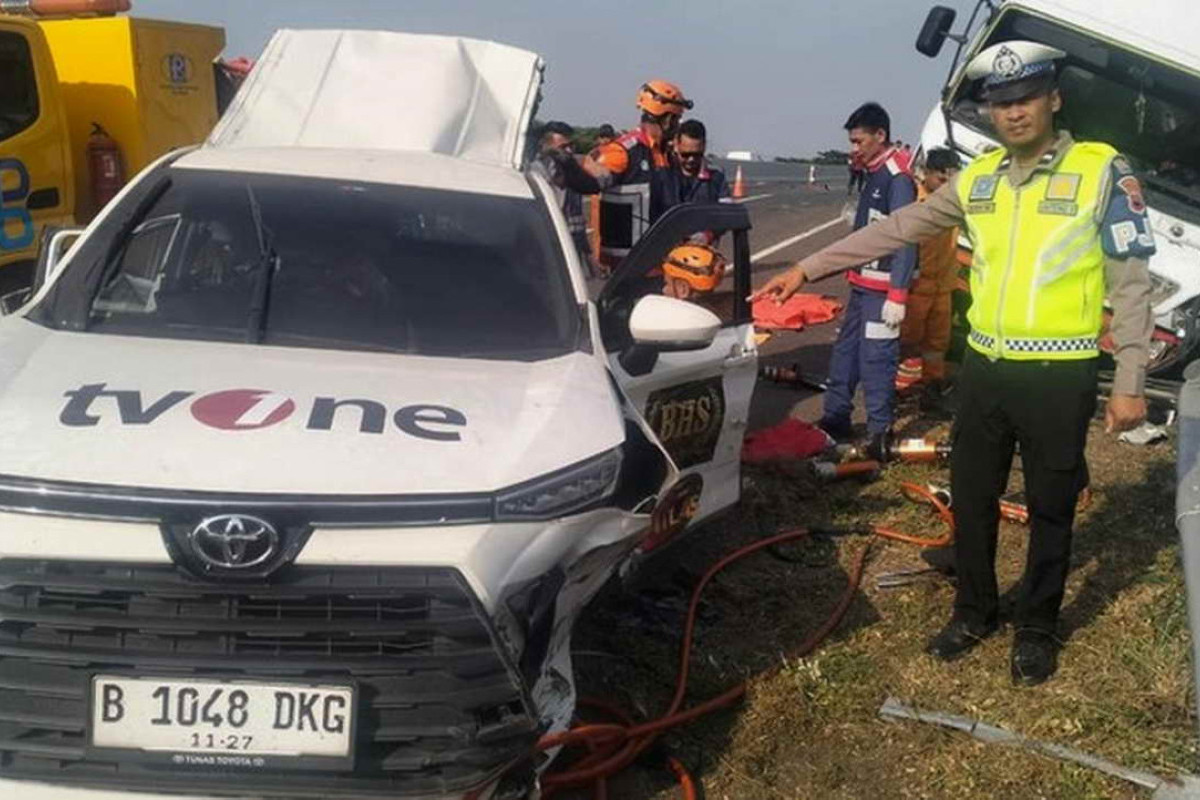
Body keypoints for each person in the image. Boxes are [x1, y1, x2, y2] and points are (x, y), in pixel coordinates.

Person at [751, 41, 1155, 686]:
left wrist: (1130, 382)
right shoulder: (983, 178)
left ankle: (1038, 627)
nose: (1014, 113)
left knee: (1051, 507)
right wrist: (807, 266)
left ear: (1053, 99)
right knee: (972, 498)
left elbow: (1133, 286)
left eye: (1025, 99)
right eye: (1001, 104)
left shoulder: (1101, 170)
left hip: (1060, 374)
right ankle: (974, 612)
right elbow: (898, 228)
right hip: (986, 371)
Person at [809, 102, 917, 454]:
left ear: (880, 136)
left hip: (883, 291)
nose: (854, 148)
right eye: (852, 142)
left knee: (877, 358)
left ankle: (878, 431)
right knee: (845, 354)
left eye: (859, 141)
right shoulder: (872, 171)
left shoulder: (897, 178)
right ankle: (836, 417)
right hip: (862, 287)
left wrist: (898, 294)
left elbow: (905, 236)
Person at [552, 80, 693, 270]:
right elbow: (589, 183)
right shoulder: (623, 152)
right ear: (665, 119)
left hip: (660, 262)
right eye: (676, 120)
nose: (677, 126)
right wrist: (567, 163)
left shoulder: (667, 155)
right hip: (628, 267)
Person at [896, 147, 961, 411]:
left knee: (937, 343)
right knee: (905, 341)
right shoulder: (911, 202)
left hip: (943, 287)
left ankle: (931, 389)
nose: (946, 186)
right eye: (941, 180)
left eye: (951, 180)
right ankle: (893, 391)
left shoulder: (955, 204)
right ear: (928, 174)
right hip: (916, 288)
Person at [533, 121, 595, 274]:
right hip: (548, 250)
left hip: (572, 250)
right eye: (562, 147)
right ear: (545, 148)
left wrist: (589, 256)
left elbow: (577, 221)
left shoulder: (573, 174)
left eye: (570, 146)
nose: (568, 151)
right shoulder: (536, 174)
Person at [664, 119, 728, 207]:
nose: (691, 159)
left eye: (697, 154)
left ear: (704, 146)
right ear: (676, 146)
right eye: (685, 154)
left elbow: (727, 212)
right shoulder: (665, 175)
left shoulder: (717, 178)